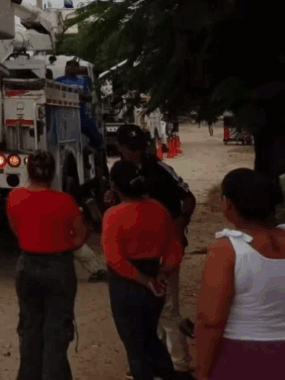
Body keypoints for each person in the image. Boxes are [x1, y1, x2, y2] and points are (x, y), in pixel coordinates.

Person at [195, 168, 285, 380]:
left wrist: (202, 372)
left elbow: (210, 320)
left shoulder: (227, 250)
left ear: (228, 204)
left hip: (243, 357)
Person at [110, 123, 197, 379]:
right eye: (130, 148)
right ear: (120, 147)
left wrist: (180, 222)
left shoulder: (160, 169)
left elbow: (188, 197)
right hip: (136, 253)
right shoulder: (118, 172)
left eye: (138, 147)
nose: (135, 152)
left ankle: (178, 365)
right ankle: (150, 362)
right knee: (146, 313)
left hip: (163, 250)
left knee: (167, 309)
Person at [7, 150, 89, 380]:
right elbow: (81, 236)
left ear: (28, 171)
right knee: (56, 331)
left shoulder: (15, 197)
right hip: (59, 266)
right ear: (53, 173)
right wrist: (64, 244)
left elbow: (16, 229)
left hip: (28, 264)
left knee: (29, 328)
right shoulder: (65, 201)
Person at [103, 161, 184, 380]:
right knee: (149, 336)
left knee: (134, 345)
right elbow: (174, 248)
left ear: (114, 186)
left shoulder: (113, 215)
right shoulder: (159, 209)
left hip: (127, 283)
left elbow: (115, 259)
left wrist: (144, 280)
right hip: (154, 274)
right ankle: (169, 375)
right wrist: (162, 274)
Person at [54, 60, 103, 151]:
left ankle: (86, 153)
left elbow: (89, 97)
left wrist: (78, 95)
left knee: (97, 138)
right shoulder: (59, 81)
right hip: (63, 116)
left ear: (78, 68)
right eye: (70, 66)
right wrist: (77, 95)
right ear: (66, 68)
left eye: (75, 66)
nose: (73, 68)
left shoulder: (83, 81)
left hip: (81, 115)